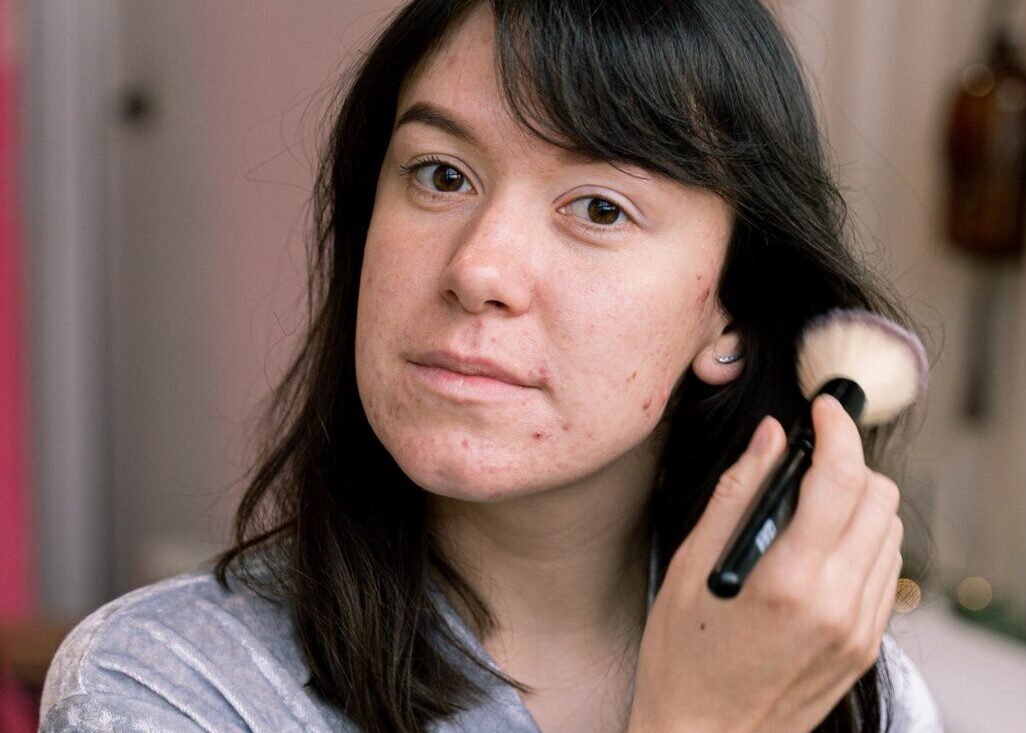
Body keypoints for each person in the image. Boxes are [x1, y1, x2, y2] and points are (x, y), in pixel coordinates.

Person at [39, 1, 943, 731]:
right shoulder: (167, 683)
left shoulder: (861, 698)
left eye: (598, 206)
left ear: (730, 317)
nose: (477, 268)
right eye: (439, 175)